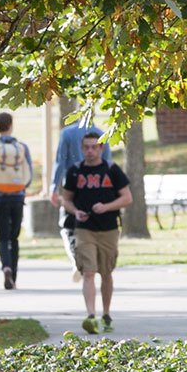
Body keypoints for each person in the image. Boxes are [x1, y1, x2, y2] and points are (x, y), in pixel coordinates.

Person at [53, 129, 133, 333]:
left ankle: (106, 314)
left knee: (106, 272)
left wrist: (106, 207)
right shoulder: (75, 171)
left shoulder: (112, 170)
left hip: (108, 228)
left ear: (101, 148)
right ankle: (91, 316)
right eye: (86, 148)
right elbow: (67, 199)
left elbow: (127, 198)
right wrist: (76, 212)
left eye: (94, 147)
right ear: (81, 149)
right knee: (88, 272)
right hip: (83, 229)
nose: (90, 151)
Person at [0, 112, 38, 290]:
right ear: (11, 125)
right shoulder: (22, 147)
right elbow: (28, 174)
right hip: (17, 196)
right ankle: (13, 276)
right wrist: (21, 188)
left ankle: (5, 267)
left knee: (2, 237)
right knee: (14, 237)